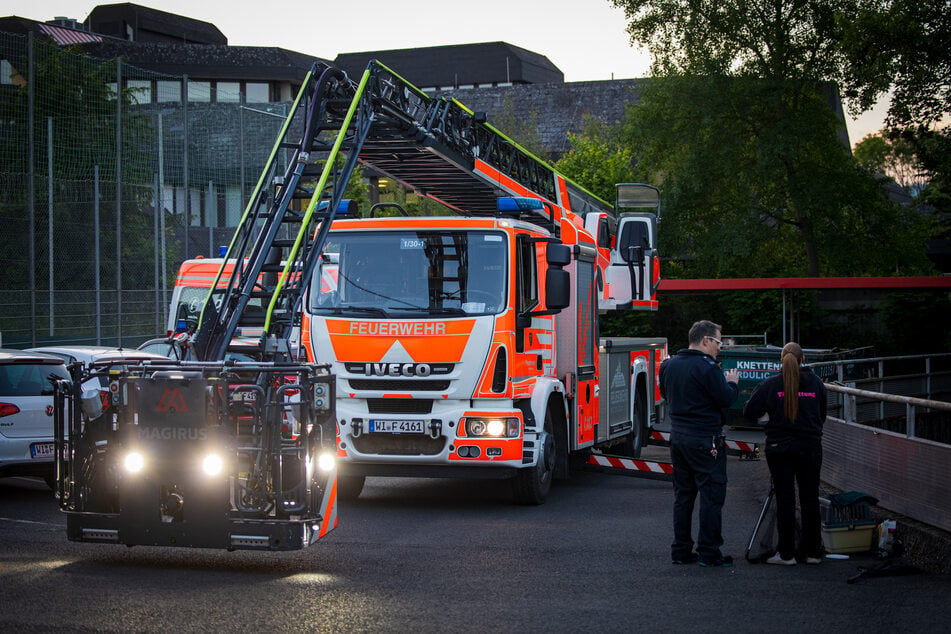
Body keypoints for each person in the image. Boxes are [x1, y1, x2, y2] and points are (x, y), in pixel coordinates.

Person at [659, 320, 740, 567]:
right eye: (718, 342)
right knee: (711, 495)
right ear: (706, 340)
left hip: (678, 437)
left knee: (683, 496)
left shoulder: (669, 365)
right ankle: (709, 552)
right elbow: (725, 399)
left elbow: (665, 395)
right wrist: (733, 383)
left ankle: (681, 550)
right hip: (706, 438)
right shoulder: (708, 367)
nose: (720, 347)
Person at [743, 342, 827, 565]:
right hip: (810, 447)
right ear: (803, 360)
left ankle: (786, 553)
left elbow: (750, 411)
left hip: (779, 448)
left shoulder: (771, 385)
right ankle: (812, 551)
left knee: (785, 498)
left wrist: (768, 419)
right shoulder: (817, 384)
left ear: (781, 361)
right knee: (810, 498)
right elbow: (822, 414)